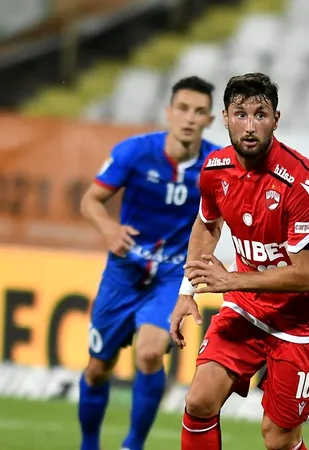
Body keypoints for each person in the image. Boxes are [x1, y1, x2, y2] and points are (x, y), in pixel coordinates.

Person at [169, 72, 309, 450]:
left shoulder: (303, 183)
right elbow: (207, 223)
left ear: (276, 120)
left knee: (278, 439)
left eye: (260, 115)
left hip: (302, 321)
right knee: (199, 400)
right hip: (246, 307)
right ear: (226, 117)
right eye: (240, 114)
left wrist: (229, 281)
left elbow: (307, 276)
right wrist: (188, 290)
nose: (250, 126)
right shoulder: (215, 169)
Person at [77, 76, 222, 450]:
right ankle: (89, 443)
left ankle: (133, 445)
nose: (190, 118)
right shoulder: (134, 152)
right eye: (183, 109)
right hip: (124, 273)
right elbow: (91, 201)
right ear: (169, 112)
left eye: (199, 112)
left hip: (172, 275)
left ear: (210, 119)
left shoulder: (217, 164)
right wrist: (109, 229)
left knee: (150, 351)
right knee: (97, 370)